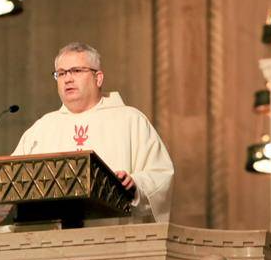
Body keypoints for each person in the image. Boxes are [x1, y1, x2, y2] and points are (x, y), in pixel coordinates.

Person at [12, 42, 174, 222]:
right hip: (52, 241)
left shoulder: (130, 120)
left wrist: (136, 185)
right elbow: (11, 184)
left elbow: (161, 175)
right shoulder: (41, 130)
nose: (68, 79)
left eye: (76, 71)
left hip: (114, 240)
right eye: (62, 73)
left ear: (98, 78)